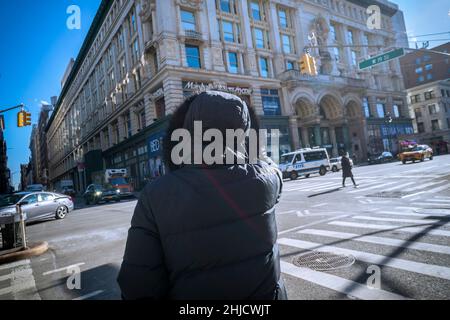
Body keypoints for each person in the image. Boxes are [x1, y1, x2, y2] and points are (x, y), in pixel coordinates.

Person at [117, 91, 287, 300]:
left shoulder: (155, 195)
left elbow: (138, 287)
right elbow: (275, 170)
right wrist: (257, 155)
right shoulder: (266, 180)